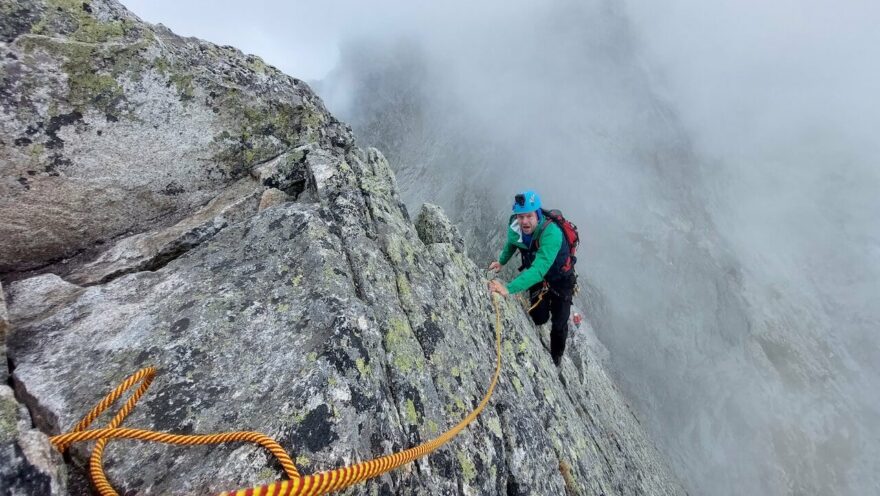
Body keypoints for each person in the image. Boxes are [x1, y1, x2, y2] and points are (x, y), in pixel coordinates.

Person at [487, 190, 577, 367]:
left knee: (559, 324)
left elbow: (538, 269)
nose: (524, 221)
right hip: (540, 280)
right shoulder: (515, 225)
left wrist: (509, 289)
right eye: (521, 216)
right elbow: (512, 242)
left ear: (537, 214)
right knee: (539, 318)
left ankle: (556, 358)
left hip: (561, 281)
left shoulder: (552, 233)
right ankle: (541, 320)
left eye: (529, 216)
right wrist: (501, 262)